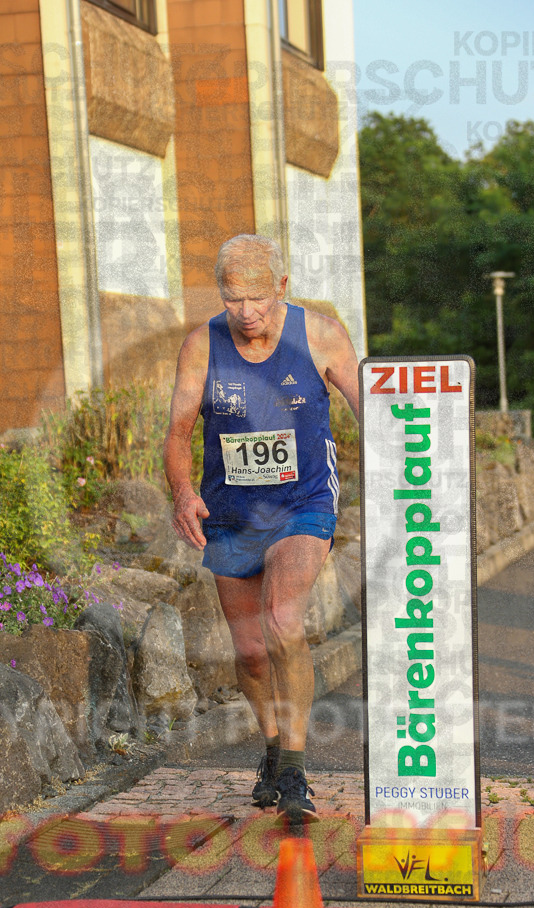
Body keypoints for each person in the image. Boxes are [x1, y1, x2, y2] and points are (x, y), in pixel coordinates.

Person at [164, 234, 360, 823]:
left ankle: (297, 774)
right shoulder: (202, 345)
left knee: (281, 620)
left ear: (281, 287)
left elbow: (374, 408)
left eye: (257, 297)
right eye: (233, 299)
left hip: (303, 502)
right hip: (231, 512)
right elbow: (176, 434)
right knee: (250, 653)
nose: (246, 312)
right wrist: (183, 492)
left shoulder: (321, 334)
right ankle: (273, 748)